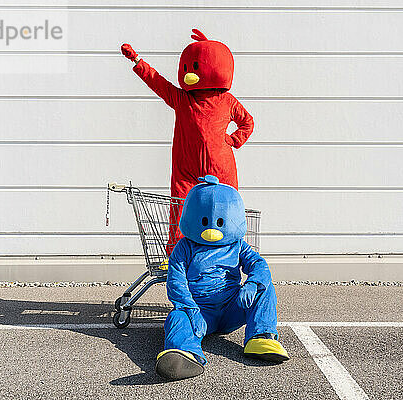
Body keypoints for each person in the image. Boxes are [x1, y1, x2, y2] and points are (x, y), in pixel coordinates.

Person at [121, 29, 254, 254]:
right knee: (180, 208)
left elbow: (247, 123)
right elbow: (157, 82)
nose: (189, 75)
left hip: (220, 167)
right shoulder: (182, 99)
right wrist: (137, 61)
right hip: (186, 169)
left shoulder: (226, 101)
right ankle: (176, 254)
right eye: (187, 69)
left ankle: (229, 253)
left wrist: (233, 140)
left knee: (224, 207)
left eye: (195, 68)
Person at [155, 175, 289, 381]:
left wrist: (252, 284)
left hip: (232, 307)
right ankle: (185, 354)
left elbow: (259, 265)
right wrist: (191, 310)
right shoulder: (184, 248)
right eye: (205, 222)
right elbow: (176, 282)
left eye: (219, 223)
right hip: (200, 312)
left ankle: (260, 336)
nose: (211, 230)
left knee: (265, 287)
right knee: (176, 317)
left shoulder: (237, 245)